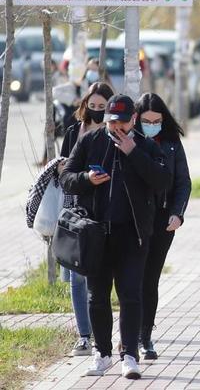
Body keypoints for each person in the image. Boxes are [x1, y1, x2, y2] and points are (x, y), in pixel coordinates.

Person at [60, 94, 171, 380]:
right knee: (97, 297)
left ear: (133, 120)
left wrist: (133, 152)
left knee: (131, 295)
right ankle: (103, 353)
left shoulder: (145, 145)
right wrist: (86, 179)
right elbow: (66, 176)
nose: (116, 128)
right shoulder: (91, 141)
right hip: (96, 233)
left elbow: (162, 181)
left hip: (133, 234)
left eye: (122, 122)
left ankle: (130, 355)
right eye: (111, 122)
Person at [134, 93, 191, 360]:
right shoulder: (129, 140)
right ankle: (129, 334)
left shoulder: (170, 142)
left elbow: (183, 182)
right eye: (146, 121)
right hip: (133, 219)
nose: (152, 125)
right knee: (132, 277)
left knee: (150, 278)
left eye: (157, 120)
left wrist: (177, 214)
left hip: (162, 219)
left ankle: (145, 336)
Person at [59, 82, 114, 358]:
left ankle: (103, 334)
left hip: (104, 212)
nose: (95, 112)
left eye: (102, 108)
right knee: (77, 277)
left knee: (100, 278)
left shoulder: (115, 135)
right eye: (91, 107)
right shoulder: (73, 132)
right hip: (75, 211)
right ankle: (84, 334)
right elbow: (65, 169)